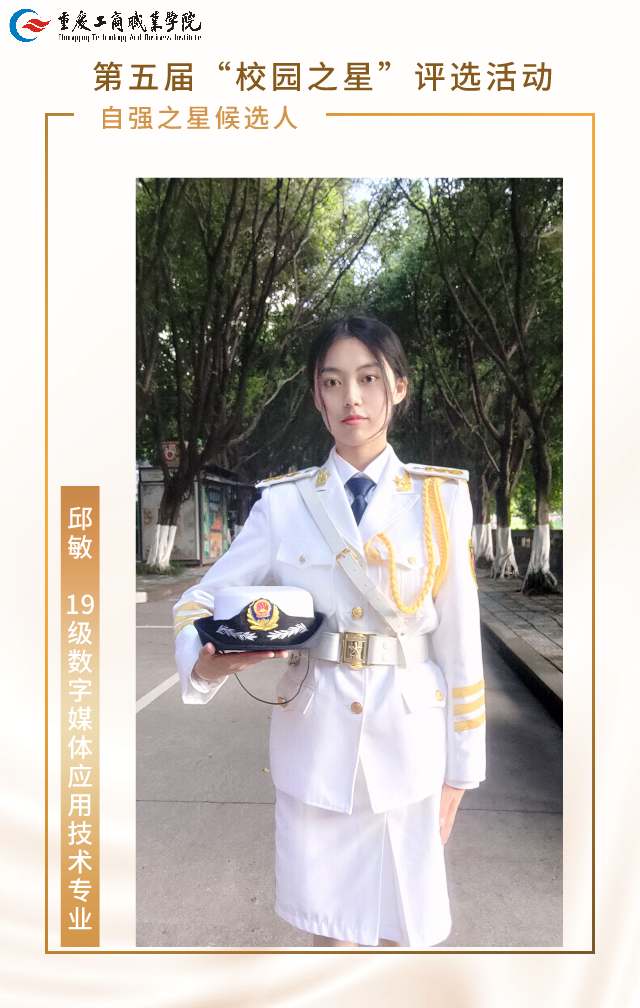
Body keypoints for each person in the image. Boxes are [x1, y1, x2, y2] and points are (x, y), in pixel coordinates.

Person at [173, 316, 486, 948]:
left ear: (398, 387)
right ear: (317, 396)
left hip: (410, 745)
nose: (352, 398)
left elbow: (460, 642)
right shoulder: (284, 503)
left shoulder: (440, 499)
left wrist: (463, 771)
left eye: (369, 379)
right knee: (330, 942)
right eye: (333, 382)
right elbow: (198, 599)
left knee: (403, 936)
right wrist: (204, 662)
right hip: (316, 745)